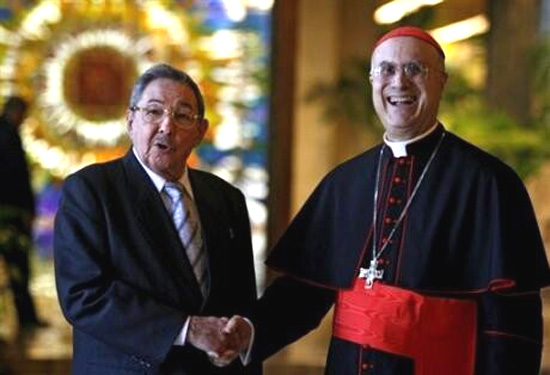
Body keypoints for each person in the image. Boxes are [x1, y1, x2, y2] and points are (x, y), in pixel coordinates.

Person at [246, 27, 550, 375]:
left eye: (415, 69)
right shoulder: (345, 182)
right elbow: (303, 294)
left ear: (442, 81)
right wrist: (246, 333)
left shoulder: (489, 182)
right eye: (387, 70)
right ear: (372, 80)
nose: (399, 82)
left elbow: (511, 325)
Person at [54, 64, 260, 375]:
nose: (166, 126)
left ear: (200, 131)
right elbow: (84, 295)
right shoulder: (91, 190)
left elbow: (242, 301)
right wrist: (187, 329)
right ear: (130, 120)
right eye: (153, 112)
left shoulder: (226, 198)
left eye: (181, 116)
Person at [0, 96, 45, 331]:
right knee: (18, 266)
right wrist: (25, 210)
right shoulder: (8, 137)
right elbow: (16, 179)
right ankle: (25, 317)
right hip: (11, 215)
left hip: (10, 213)